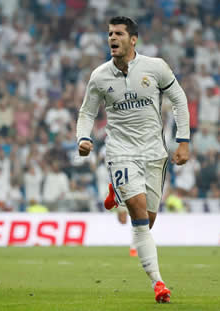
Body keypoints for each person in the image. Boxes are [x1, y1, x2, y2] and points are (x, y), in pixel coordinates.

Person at [77, 16, 190, 303]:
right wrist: (83, 137)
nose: (112, 38)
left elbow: (179, 99)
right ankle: (159, 283)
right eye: (109, 34)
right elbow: (87, 112)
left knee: (147, 221)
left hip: (154, 154)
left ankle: (117, 192)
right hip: (121, 152)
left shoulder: (155, 67)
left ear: (133, 39)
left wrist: (184, 141)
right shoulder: (100, 75)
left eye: (118, 34)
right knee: (139, 218)